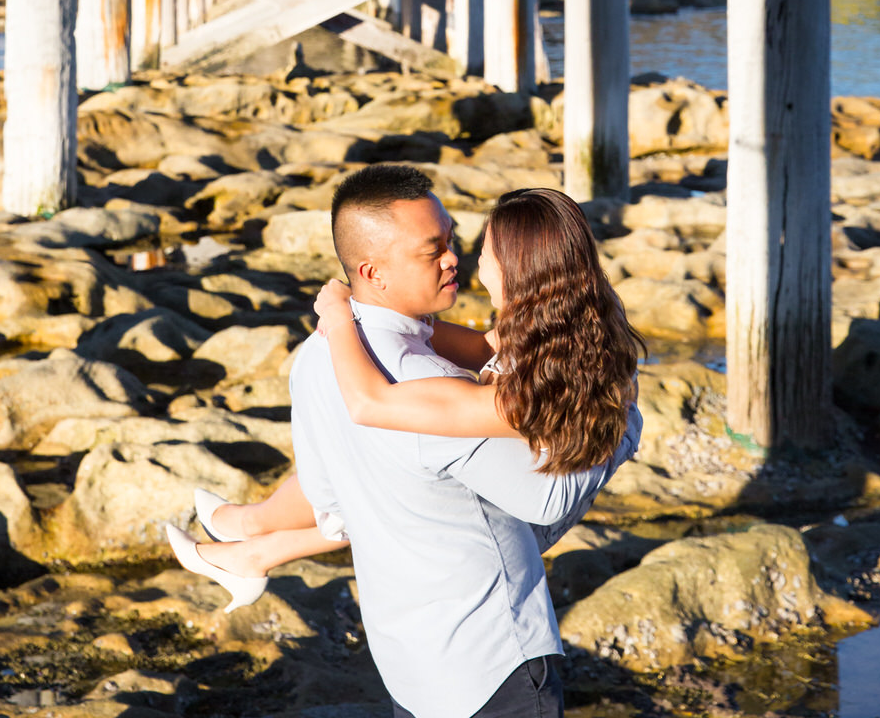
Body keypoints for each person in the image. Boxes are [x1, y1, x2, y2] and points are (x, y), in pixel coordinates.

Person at [166, 164, 643, 718]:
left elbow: (334, 489)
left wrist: (344, 316)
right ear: (374, 269)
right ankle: (250, 542)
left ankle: (249, 541)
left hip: (408, 661)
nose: (455, 258)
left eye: (460, 245)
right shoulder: (442, 382)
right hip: (489, 661)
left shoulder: (316, 359)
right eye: (433, 248)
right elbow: (541, 503)